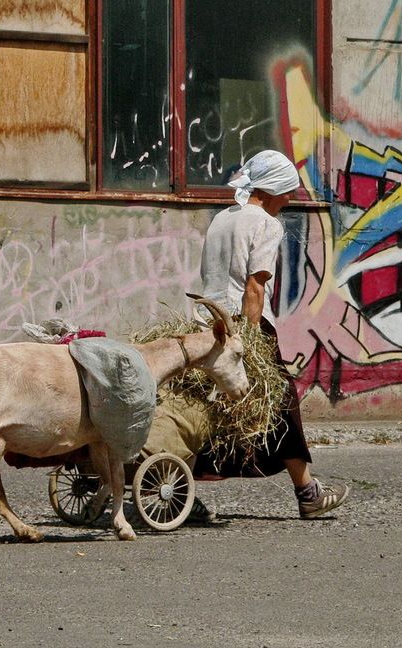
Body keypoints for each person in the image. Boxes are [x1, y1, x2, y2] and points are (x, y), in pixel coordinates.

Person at [146, 149, 349, 519]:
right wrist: (250, 342)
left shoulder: (222, 219)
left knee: (206, 407)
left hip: (205, 324)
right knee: (282, 402)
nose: (288, 201)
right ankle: (308, 492)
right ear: (271, 189)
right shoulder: (266, 225)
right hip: (242, 324)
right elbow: (255, 287)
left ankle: (177, 489)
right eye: (287, 192)